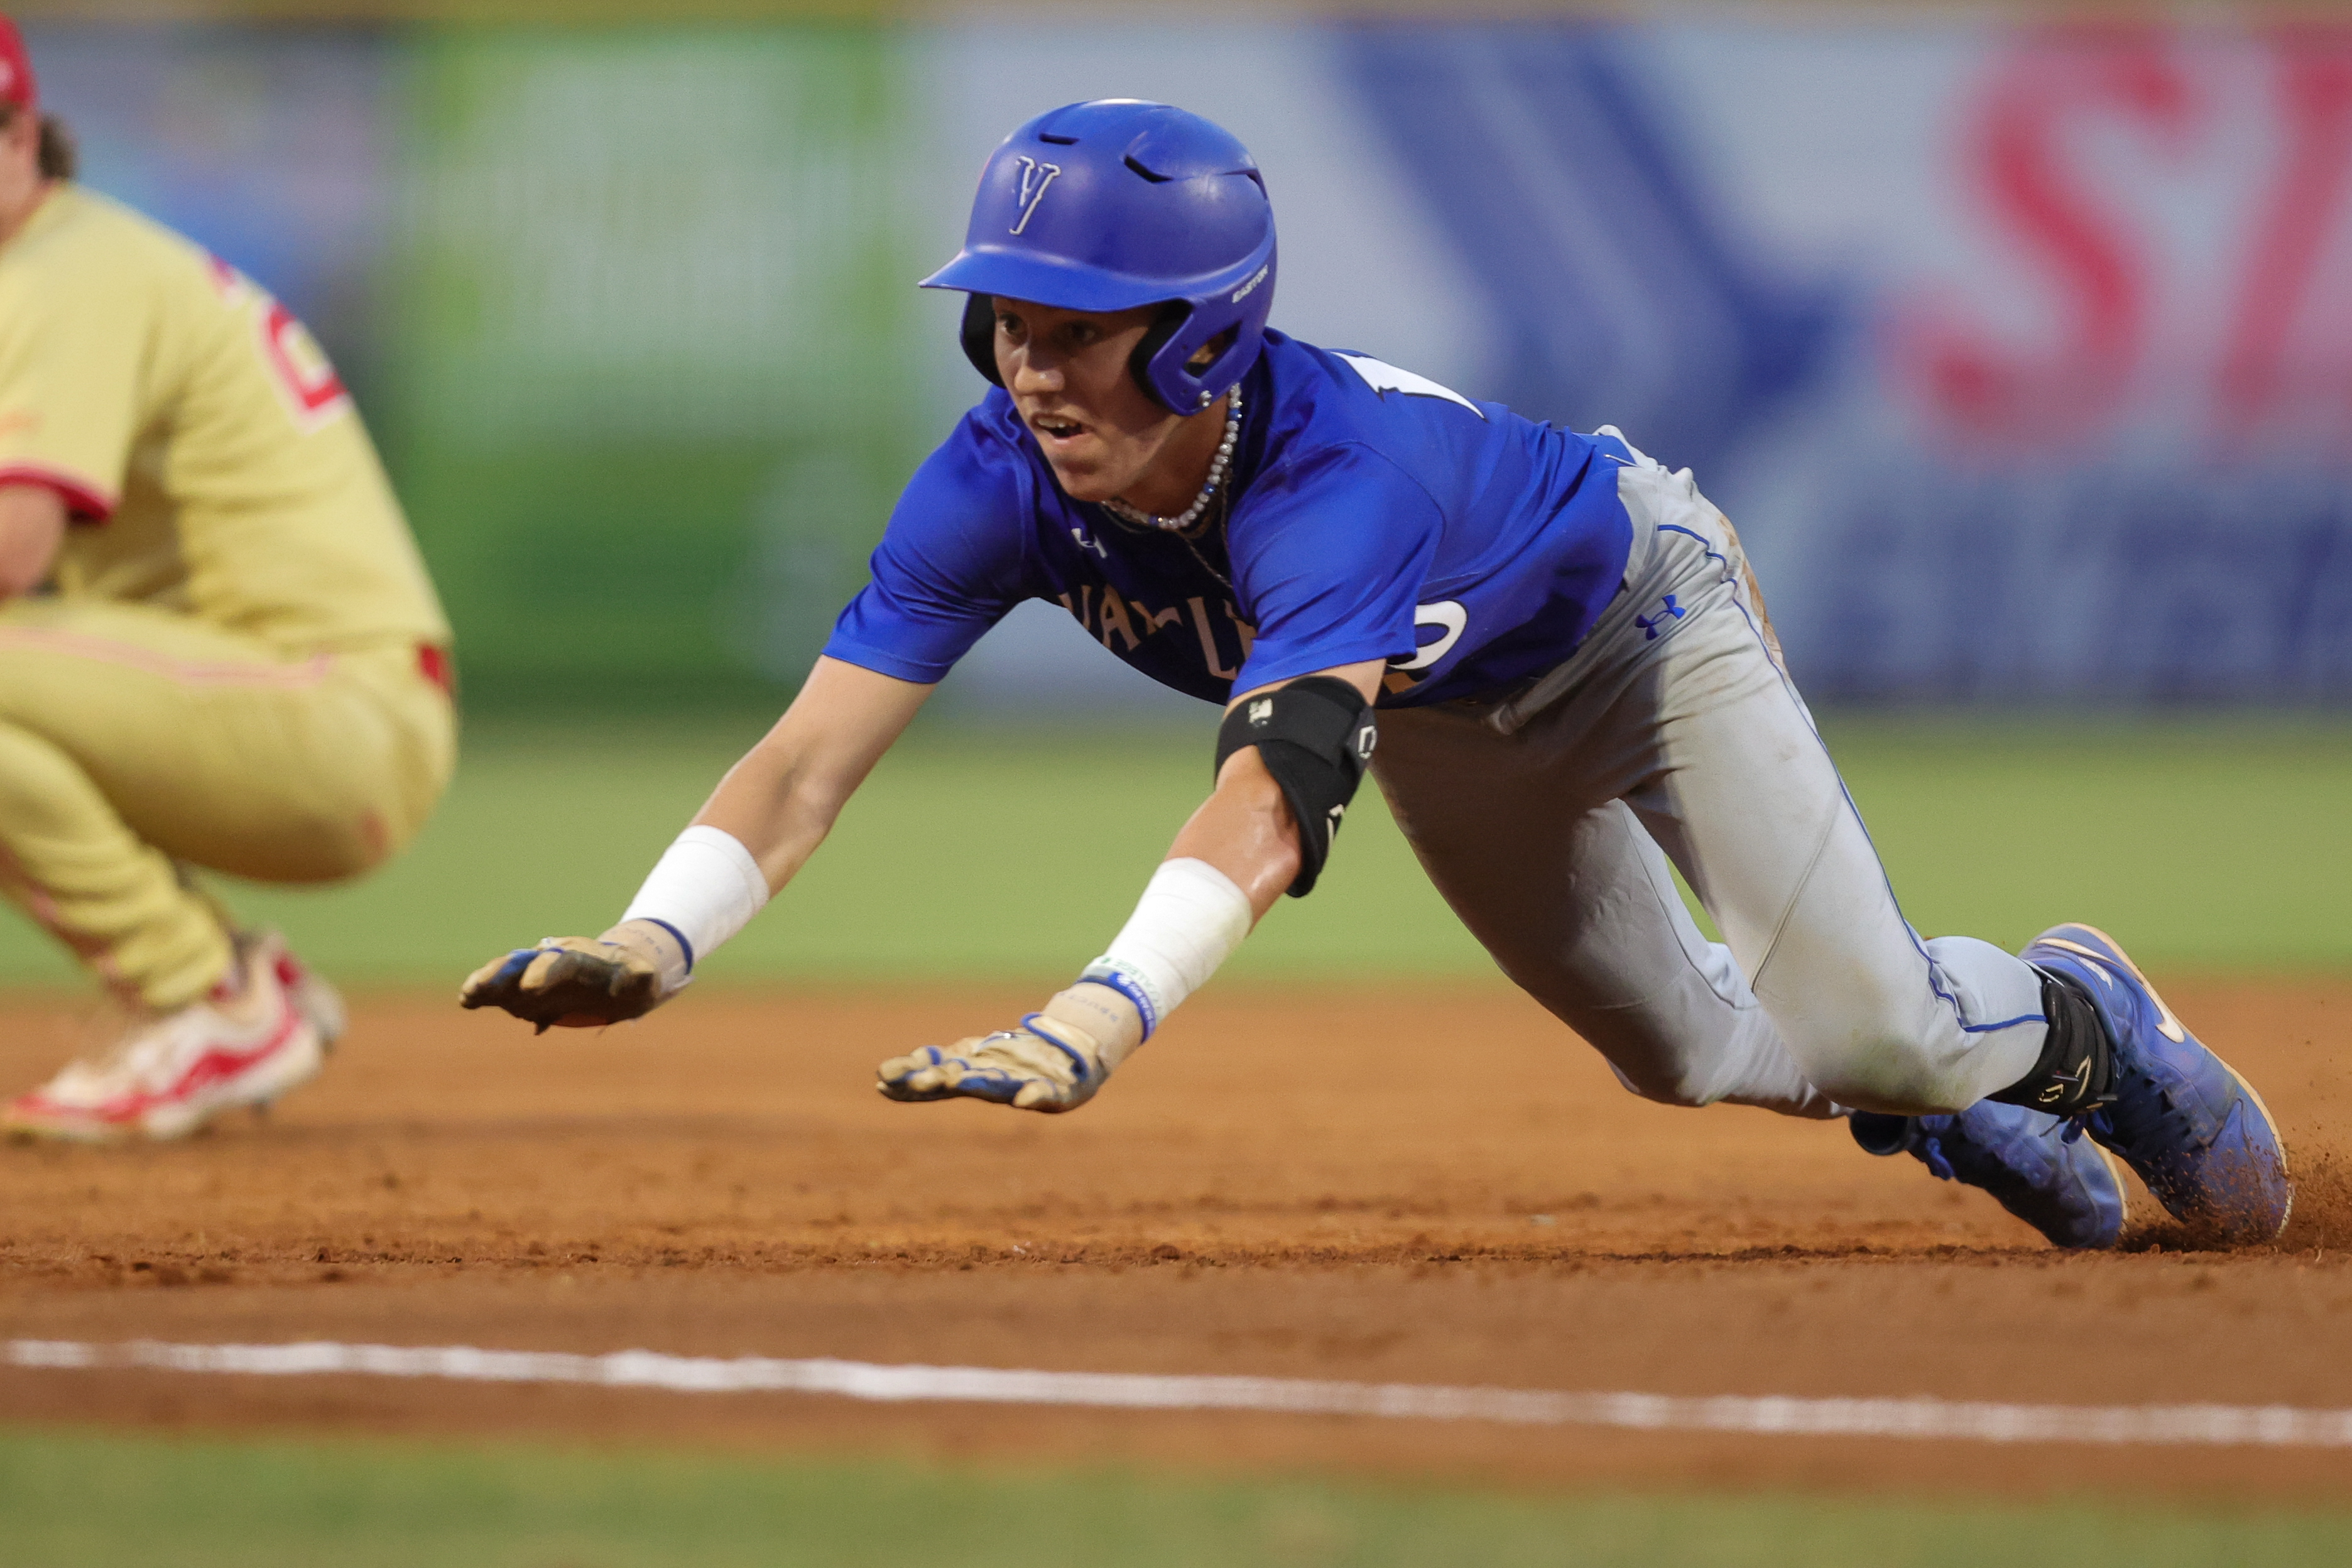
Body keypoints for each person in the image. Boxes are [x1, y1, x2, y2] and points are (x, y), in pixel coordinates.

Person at [462, 99, 2289, 1249]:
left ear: (1202, 340)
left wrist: (1102, 1010)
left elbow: (1274, 793)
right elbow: (806, 761)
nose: (1024, 366)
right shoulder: (994, 480)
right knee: (1684, 1054)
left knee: (1873, 1016)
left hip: (1643, 624)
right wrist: (654, 939)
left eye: (1074, 328)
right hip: (1457, 725)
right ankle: (1947, 1101)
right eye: (1005, 319)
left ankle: (2077, 1020)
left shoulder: (1337, 484)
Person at [0, 18, 457, 1141]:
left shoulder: (58, 273)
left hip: (332, 711)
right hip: (293, 702)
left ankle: (208, 1001)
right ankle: (232, 977)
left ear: (24, 134)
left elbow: (14, 551)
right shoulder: (72, 259)